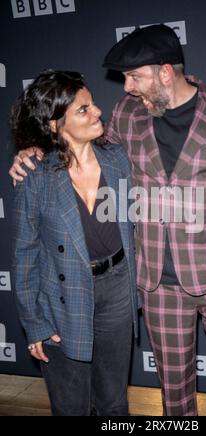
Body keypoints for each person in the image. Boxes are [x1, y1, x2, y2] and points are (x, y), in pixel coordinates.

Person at [10, 25, 206, 416]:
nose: (127, 87)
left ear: (165, 72)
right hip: (157, 288)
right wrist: (33, 151)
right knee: (175, 397)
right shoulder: (126, 116)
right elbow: (79, 149)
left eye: (134, 77)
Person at [10, 70, 138, 416]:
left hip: (117, 290)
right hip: (62, 301)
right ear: (54, 125)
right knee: (71, 406)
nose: (97, 112)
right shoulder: (35, 176)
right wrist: (35, 323)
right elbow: (24, 256)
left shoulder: (119, 160)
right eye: (83, 110)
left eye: (93, 103)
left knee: (114, 403)